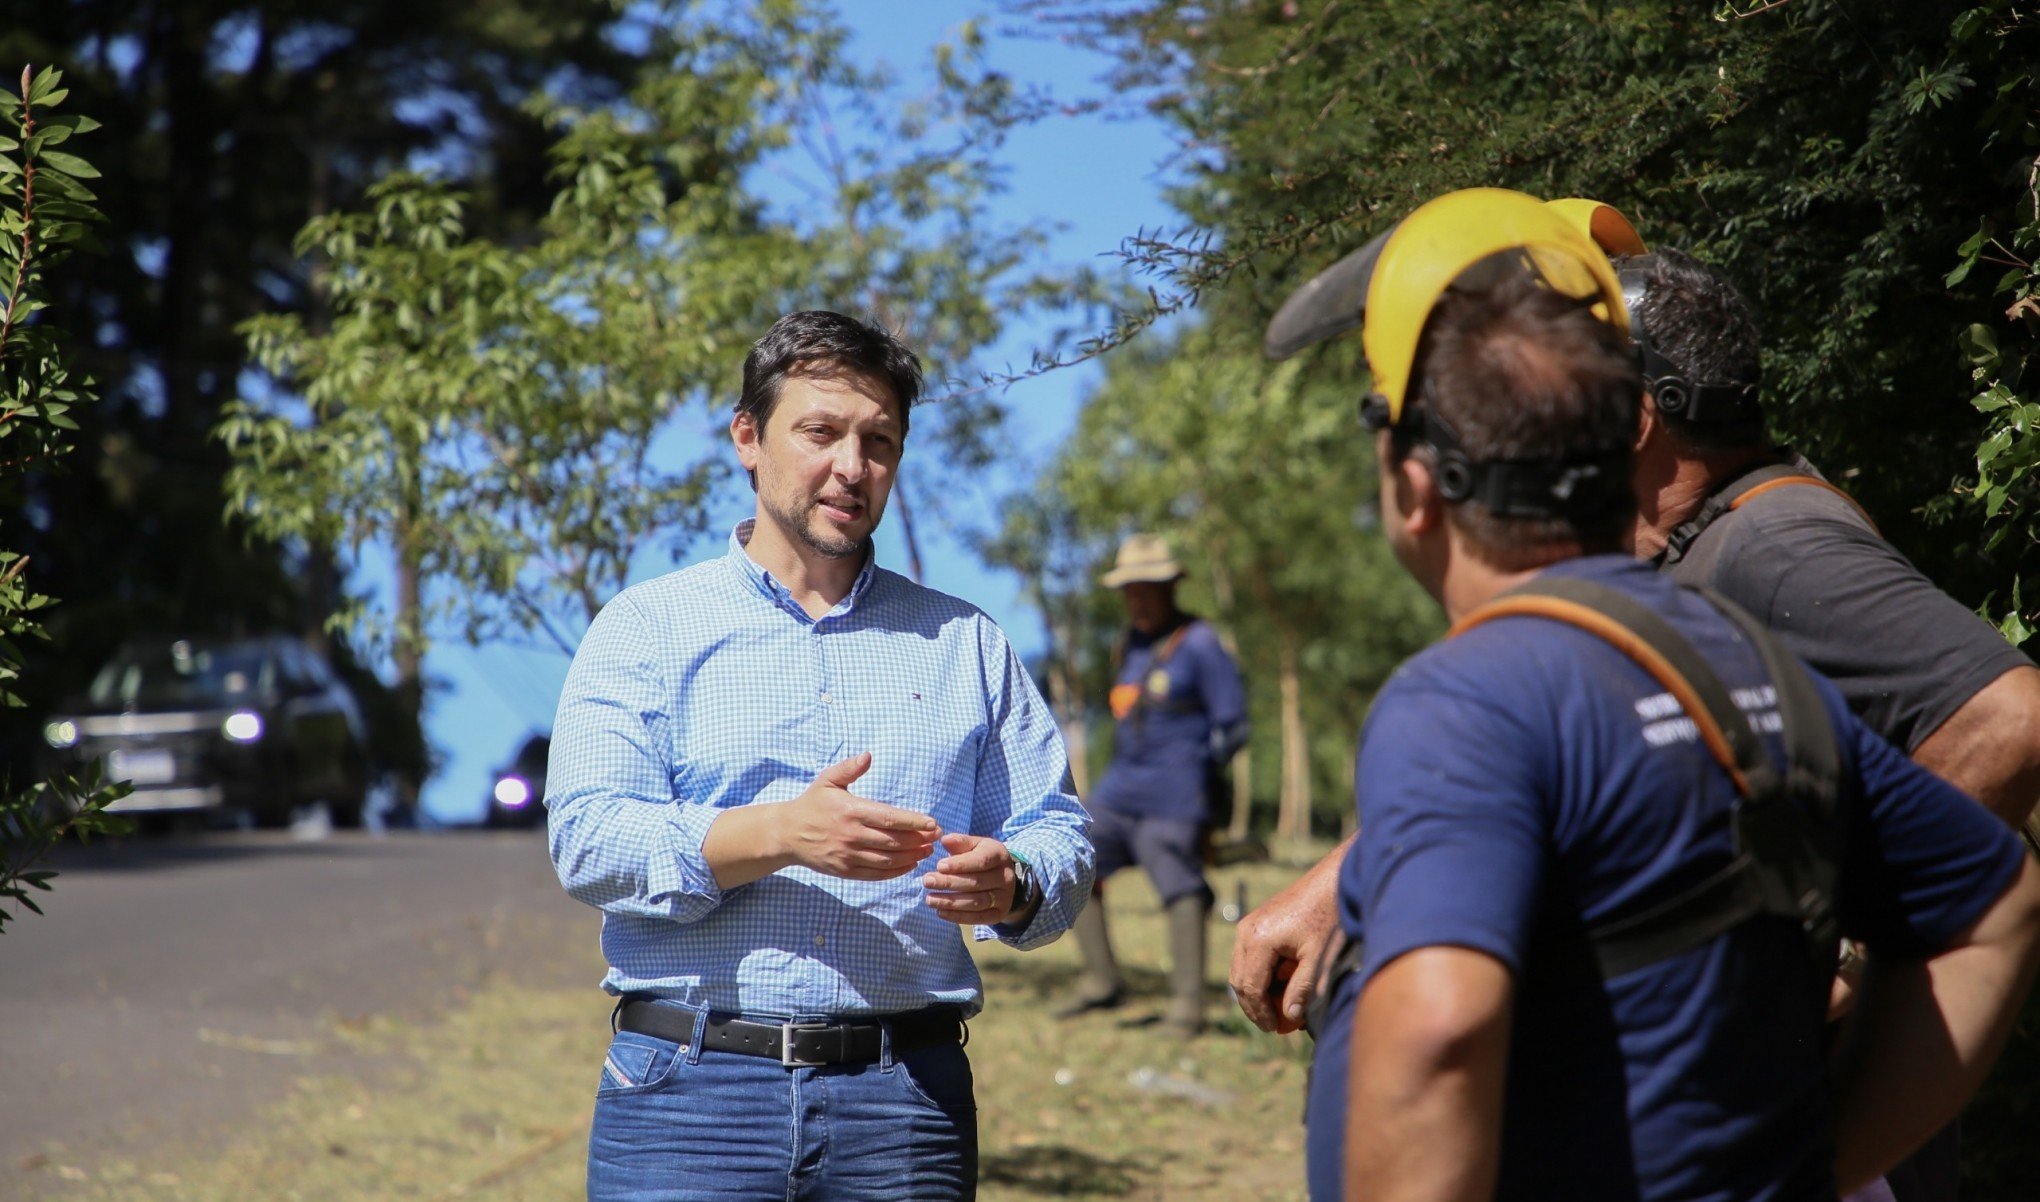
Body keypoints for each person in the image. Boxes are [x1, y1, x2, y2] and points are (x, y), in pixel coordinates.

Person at [1234, 200, 2040, 1200]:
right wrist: (1823, 1165)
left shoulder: (1466, 698)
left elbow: (1440, 1036)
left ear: (1413, 482)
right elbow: (1996, 906)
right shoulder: (1749, 670)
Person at [544, 310, 1095, 1202]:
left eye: (879, 440)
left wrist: (1017, 883)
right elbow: (588, 839)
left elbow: (1056, 829)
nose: (853, 465)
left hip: (905, 1102)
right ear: (748, 438)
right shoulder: (645, 630)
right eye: (822, 431)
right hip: (687, 1095)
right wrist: (781, 834)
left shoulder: (966, 642)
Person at [1056, 533, 1249, 1035]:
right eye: (1130, 589)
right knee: (1071, 852)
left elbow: (1235, 724)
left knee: (1180, 886)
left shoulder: (1201, 644)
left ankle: (1187, 1009)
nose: (1137, 598)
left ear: (1170, 587)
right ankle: (1102, 982)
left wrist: (1201, 781)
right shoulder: (1130, 644)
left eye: (1147, 587)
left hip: (1175, 797)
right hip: (1122, 793)